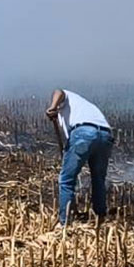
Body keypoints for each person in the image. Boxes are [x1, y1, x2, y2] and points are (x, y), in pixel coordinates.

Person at [46, 89, 113, 225]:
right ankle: (100, 217)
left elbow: (58, 91)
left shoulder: (65, 98)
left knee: (66, 179)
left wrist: (52, 107)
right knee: (98, 178)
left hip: (84, 132)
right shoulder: (85, 107)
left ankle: (64, 222)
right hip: (106, 134)